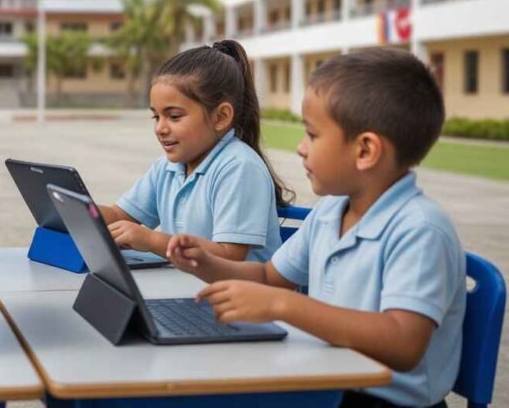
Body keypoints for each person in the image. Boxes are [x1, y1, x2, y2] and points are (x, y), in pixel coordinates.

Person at [168, 48, 464, 408]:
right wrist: (208, 264)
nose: (301, 148)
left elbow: (403, 344)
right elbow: (269, 275)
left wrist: (281, 305)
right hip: (329, 379)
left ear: (366, 150)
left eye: (312, 135)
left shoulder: (420, 230)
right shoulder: (329, 212)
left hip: (382, 399)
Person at [100, 40, 288, 262]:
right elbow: (118, 216)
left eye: (174, 116)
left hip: (244, 293)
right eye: (156, 116)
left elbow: (230, 255)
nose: (160, 128)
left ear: (220, 117)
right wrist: (70, 210)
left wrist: (152, 240)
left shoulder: (240, 167)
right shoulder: (167, 167)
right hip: (188, 286)